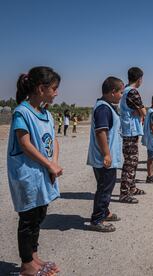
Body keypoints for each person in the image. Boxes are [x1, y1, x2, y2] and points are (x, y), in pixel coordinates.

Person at [7, 66, 62, 276]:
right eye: (54, 88)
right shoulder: (22, 111)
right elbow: (25, 143)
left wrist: (54, 162)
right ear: (41, 88)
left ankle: (34, 256)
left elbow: (54, 140)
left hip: (43, 174)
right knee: (28, 219)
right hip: (27, 175)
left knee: (39, 215)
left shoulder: (46, 113)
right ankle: (27, 264)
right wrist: (49, 165)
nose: (56, 93)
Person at [87, 76, 124, 232]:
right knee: (104, 189)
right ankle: (97, 220)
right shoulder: (103, 108)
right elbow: (101, 132)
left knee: (106, 186)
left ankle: (105, 212)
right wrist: (107, 155)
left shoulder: (107, 106)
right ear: (113, 92)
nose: (122, 95)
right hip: (104, 158)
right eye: (121, 92)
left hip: (106, 157)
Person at [119, 67, 146, 204]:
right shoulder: (133, 92)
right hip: (130, 131)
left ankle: (132, 188)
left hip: (129, 130)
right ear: (139, 79)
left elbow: (139, 111)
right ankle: (124, 193)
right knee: (130, 162)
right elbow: (143, 112)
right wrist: (140, 111)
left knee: (133, 161)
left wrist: (139, 111)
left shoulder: (124, 90)